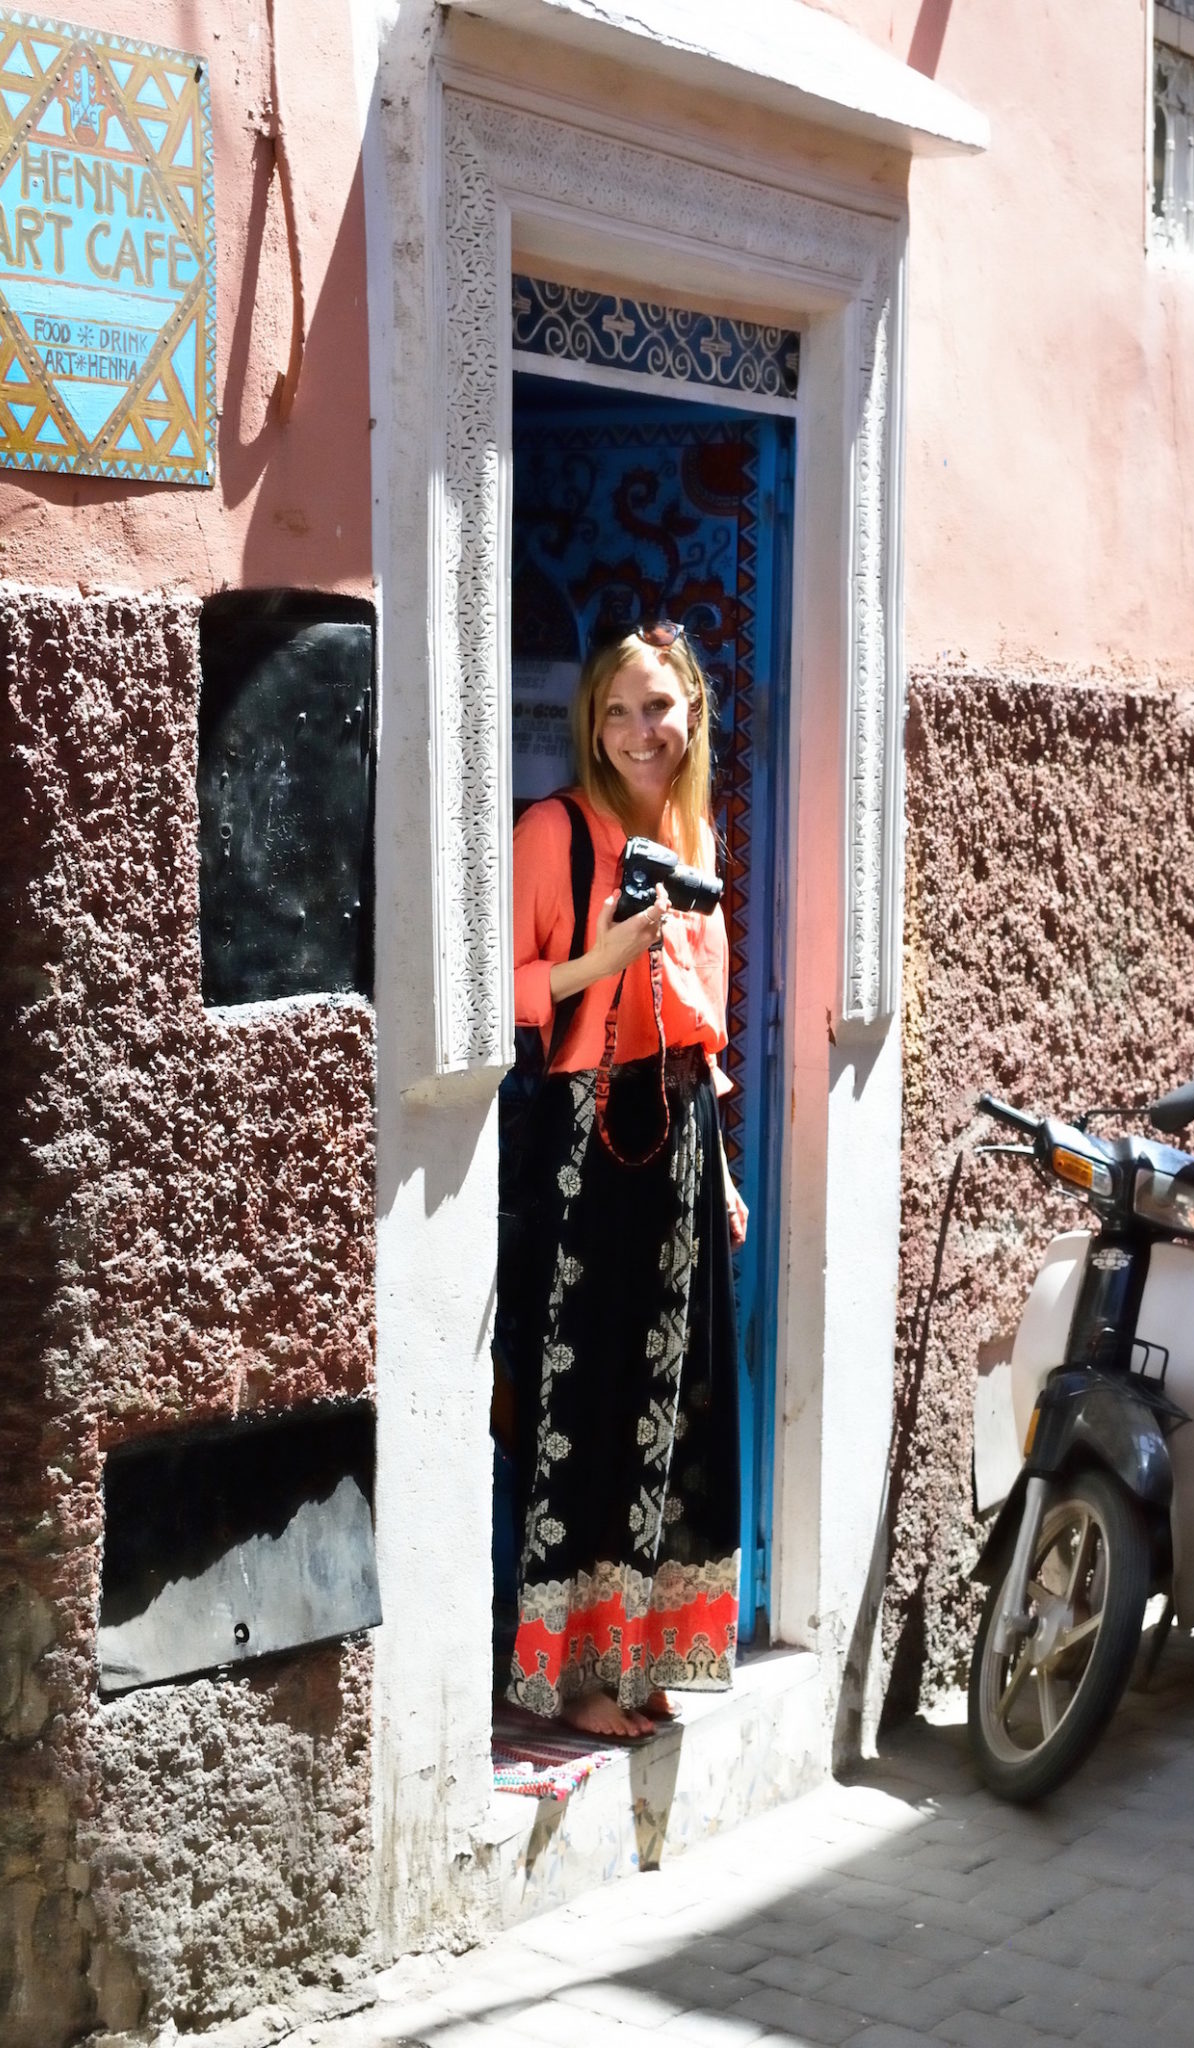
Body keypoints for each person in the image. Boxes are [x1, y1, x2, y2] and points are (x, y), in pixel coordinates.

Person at [505, 621, 748, 1742]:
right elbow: (502, 987)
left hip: (682, 1132)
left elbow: (702, 1026)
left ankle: (643, 1652)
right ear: (589, 725)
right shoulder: (552, 832)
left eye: (657, 708)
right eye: (616, 711)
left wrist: (729, 1173)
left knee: (677, 1403)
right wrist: (608, 953)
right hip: (584, 1135)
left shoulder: (698, 830)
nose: (639, 731)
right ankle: (573, 1677)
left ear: (689, 713)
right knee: (585, 1402)